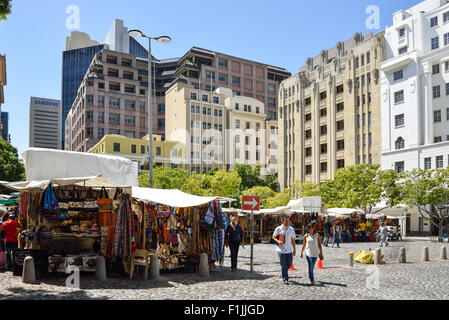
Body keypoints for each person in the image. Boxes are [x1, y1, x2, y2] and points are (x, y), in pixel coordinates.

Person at [272, 215, 296, 285]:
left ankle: (284, 272)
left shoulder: (291, 229)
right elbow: (273, 236)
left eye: (288, 220)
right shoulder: (278, 229)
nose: (287, 222)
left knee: (289, 264)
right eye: (286, 220)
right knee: (283, 265)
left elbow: (293, 240)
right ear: (282, 220)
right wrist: (278, 241)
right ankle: (285, 278)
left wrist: (294, 249)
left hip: (289, 250)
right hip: (281, 250)